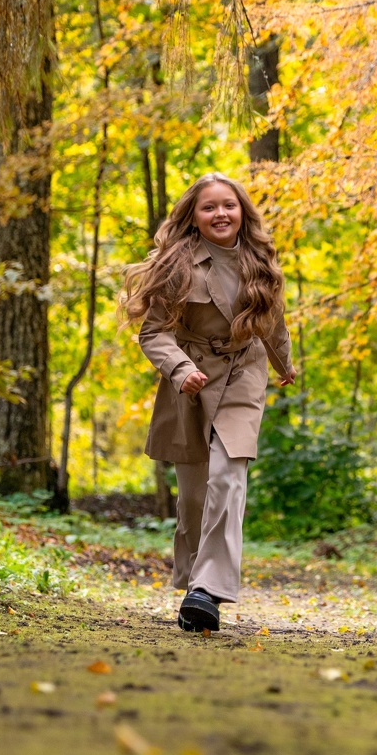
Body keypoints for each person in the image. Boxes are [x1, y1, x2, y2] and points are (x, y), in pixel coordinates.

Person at [121, 173, 295, 631]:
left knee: (228, 474)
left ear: (242, 212)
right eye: (209, 207)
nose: (221, 213)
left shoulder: (260, 259)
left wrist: (284, 364)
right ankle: (196, 585)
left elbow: (273, 321)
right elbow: (152, 332)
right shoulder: (177, 264)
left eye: (229, 205)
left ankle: (208, 590)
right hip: (192, 380)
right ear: (194, 218)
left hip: (243, 372)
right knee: (196, 493)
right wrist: (181, 370)